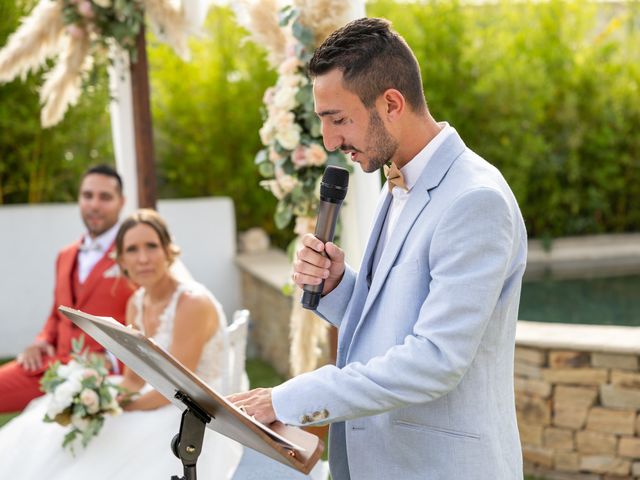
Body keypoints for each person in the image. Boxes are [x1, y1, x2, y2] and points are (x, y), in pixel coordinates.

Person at [229, 18, 527, 479]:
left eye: (339, 119)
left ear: (391, 103)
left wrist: (285, 399)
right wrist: (338, 287)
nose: (329, 141)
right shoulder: (396, 181)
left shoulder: (475, 200)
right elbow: (393, 320)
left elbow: (434, 360)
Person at [0, 209, 243, 479]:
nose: (143, 258)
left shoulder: (192, 303)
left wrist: (122, 407)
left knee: (106, 450)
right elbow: (133, 379)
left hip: (191, 410)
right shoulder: (136, 303)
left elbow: (181, 389)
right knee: (52, 430)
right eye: (132, 249)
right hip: (159, 395)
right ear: (122, 260)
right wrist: (101, 400)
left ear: (168, 251)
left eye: (151, 246)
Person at [0, 164, 133, 413]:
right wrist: (41, 341)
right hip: (50, 365)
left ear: (121, 201)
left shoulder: (136, 254)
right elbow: (56, 314)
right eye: (87, 195)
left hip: (98, 374)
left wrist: (112, 361)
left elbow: (150, 320)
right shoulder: (65, 255)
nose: (94, 204)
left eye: (105, 197)